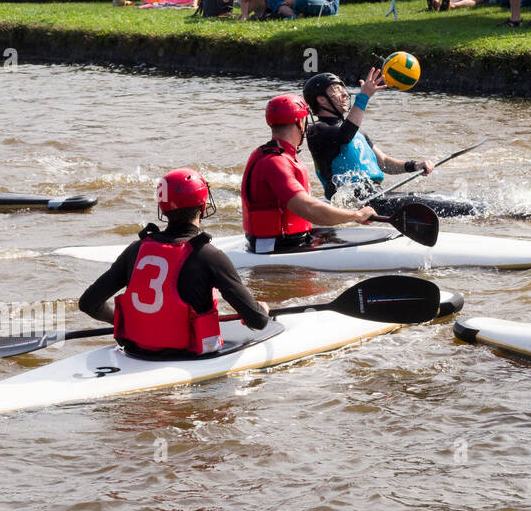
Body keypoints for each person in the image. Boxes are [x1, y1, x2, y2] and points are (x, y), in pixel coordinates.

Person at [78, 169, 269, 357]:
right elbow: (258, 321)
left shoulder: (136, 249)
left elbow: (88, 303)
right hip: (188, 355)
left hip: (137, 352)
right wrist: (263, 308)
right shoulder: (209, 256)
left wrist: (123, 322)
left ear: (163, 208)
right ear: (203, 206)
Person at [241, 94, 377, 254]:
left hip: (290, 240)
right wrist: (357, 215)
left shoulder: (272, 154)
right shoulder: (276, 162)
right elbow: (308, 208)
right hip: (276, 247)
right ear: (300, 122)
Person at [303, 70, 433, 204]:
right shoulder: (317, 130)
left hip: (375, 194)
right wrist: (363, 97)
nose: (344, 94)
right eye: (336, 90)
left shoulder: (357, 133)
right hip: (351, 200)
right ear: (322, 99)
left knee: (438, 196)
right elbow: (344, 136)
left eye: (343, 89)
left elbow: (384, 163)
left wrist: (414, 165)